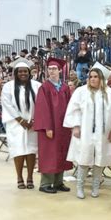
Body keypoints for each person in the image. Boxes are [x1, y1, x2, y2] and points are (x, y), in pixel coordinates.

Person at [64, 63, 111, 199]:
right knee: (84, 158)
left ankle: (95, 186)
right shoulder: (81, 91)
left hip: (103, 132)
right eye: (91, 76)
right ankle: (80, 187)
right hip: (85, 131)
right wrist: (75, 126)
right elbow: (73, 109)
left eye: (95, 77)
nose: (92, 79)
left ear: (101, 78)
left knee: (99, 159)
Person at [33, 58, 72, 194]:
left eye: (54, 69)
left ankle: (58, 182)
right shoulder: (44, 87)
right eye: (49, 69)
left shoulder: (65, 88)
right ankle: (45, 184)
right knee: (49, 154)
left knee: (62, 152)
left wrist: (71, 124)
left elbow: (70, 108)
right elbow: (42, 109)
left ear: (60, 71)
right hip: (50, 127)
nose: (52, 71)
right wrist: (48, 127)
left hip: (63, 127)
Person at [1, 59, 41, 189]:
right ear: (16, 73)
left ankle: (30, 177)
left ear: (29, 73)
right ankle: (19, 177)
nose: (23, 74)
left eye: (25, 71)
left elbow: (41, 104)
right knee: (18, 150)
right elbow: (7, 105)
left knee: (31, 150)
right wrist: (21, 120)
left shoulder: (37, 86)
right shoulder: (8, 86)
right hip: (15, 124)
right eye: (20, 71)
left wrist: (34, 120)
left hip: (32, 124)